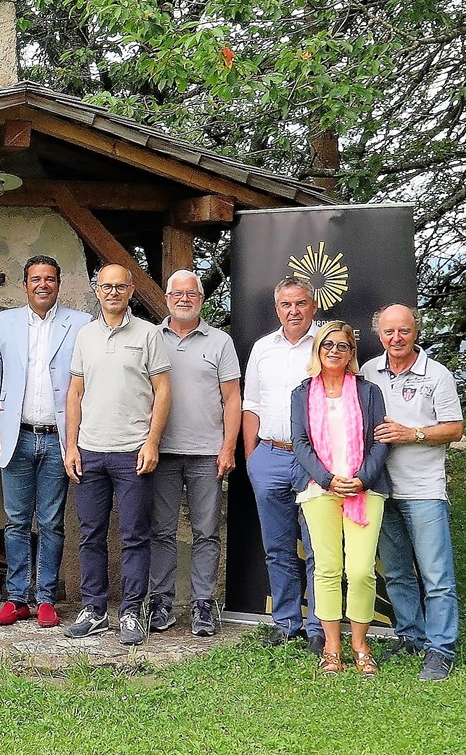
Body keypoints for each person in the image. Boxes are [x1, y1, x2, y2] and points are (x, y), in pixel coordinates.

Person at [0, 255, 91, 628]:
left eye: (49, 278)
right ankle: (16, 599)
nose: (42, 284)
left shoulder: (80, 323)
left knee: (52, 522)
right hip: (17, 435)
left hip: (59, 437)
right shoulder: (3, 322)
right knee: (14, 521)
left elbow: (85, 383)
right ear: (24, 284)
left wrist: (78, 438)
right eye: (35, 279)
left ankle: (45, 598)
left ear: (58, 283)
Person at [64, 265, 171, 645]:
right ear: (96, 290)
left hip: (133, 452)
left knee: (134, 536)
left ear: (131, 290)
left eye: (119, 286)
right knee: (90, 535)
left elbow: (162, 391)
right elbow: (74, 393)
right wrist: (71, 445)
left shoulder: (148, 334)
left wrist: (152, 442)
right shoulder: (85, 335)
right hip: (90, 451)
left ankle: (130, 613)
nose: (112, 292)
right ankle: (93, 610)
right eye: (105, 286)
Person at [362, 304, 465, 681]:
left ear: (416, 331)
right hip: (382, 487)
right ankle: (410, 635)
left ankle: (441, 648)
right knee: (398, 572)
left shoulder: (437, 374)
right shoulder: (369, 371)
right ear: (379, 335)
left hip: (424, 488)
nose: (396, 338)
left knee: (437, 575)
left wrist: (413, 433)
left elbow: (454, 428)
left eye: (404, 330)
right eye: (389, 332)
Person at [291, 321, 391, 676]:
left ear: (352, 353)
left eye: (342, 346)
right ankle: (332, 647)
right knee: (328, 569)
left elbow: (381, 440)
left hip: (365, 489)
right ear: (317, 350)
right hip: (320, 489)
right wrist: (327, 479)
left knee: (361, 569)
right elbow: (300, 442)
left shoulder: (369, 391)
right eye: (327, 345)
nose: (334, 351)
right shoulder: (302, 393)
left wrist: (362, 480)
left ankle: (360, 644)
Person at [149, 270, 241, 637]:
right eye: (177, 293)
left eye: (192, 293)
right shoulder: (151, 337)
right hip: (161, 452)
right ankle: (161, 603)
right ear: (167, 298)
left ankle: (203, 604)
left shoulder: (220, 342)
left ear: (201, 299)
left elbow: (233, 398)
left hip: (207, 453)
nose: (184, 299)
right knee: (161, 532)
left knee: (206, 532)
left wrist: (228, 447)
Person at [241, 276, 324, 652]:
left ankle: (320, 627)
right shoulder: (262, 348)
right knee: (277, 548)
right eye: (286, 304)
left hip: (314, 460)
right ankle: (286, 623)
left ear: (313, 305)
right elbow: (251, 405)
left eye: (301, 303)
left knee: (318, 547)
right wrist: (252, 457)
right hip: (270, 455)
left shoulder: (327, 345)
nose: (294, 311)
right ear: (277, 308)